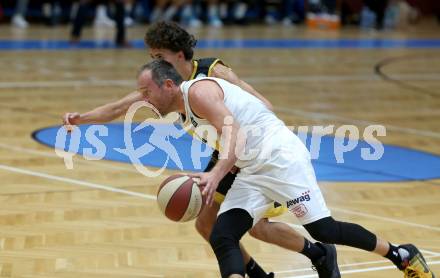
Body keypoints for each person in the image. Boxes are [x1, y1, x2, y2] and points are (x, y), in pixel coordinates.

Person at [63, 21, 341, 278]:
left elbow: (264, 105)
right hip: (225, 155)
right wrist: (82, 118)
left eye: (160, 56)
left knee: (258, 227)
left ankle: (319, 253)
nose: (155, 63)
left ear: (179, 55)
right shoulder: (162, 86)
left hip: (253, 152)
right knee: (206, 225)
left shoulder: (213, 72)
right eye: (152, 58)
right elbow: (118, 107)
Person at [136, 59, 436, 278]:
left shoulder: (198, 92)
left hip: (280, 157)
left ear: (169, 85)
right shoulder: (182, 111)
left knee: (324, 229)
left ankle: (401, 254)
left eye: (146, 92)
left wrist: (215, 174)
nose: (142, 99)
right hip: (251, 169)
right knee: (221, 235)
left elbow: (236, 135)